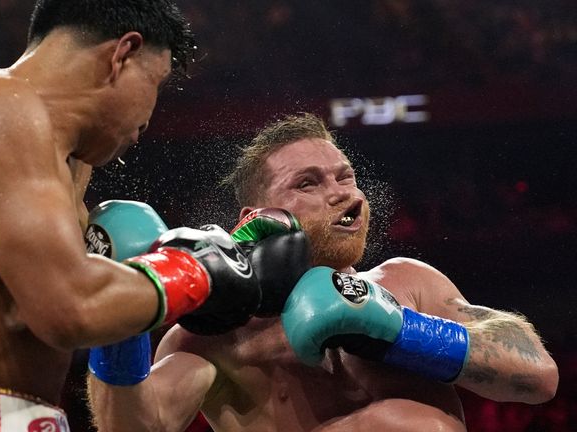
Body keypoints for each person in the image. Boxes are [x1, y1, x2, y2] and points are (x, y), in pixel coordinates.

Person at [0, 2, 272, 431]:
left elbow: (41, 310)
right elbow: (72, 308)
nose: (149, 118)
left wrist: (225, 259)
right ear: (122, 55)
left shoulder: (63, 162)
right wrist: (199, 272)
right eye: (156, 82)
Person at [87, 113, 559, 431]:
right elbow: (132, 425)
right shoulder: (218, 335)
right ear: (259, 215)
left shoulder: (407, 282)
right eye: (308, 182)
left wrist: (398, 329)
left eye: (345, 176)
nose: (341, 193)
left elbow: (537, 377)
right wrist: (120, 315)